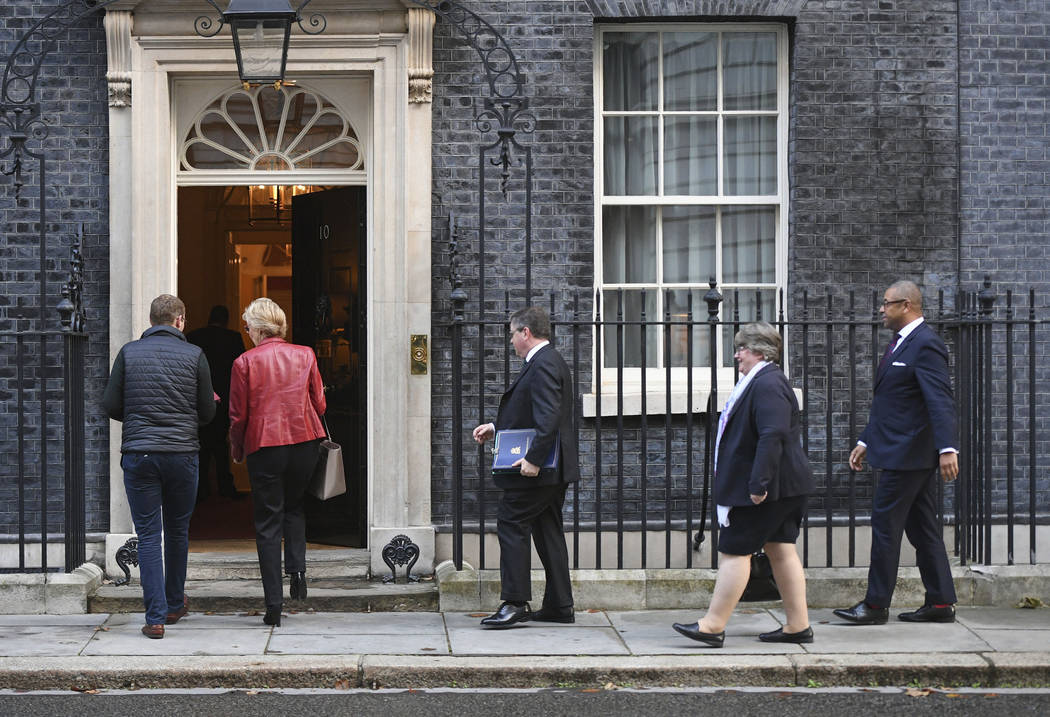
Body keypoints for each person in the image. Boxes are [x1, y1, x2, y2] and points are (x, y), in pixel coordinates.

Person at [672, 322, 815, 647]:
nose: (737, 354)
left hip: (769, 488)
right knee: (781, 550)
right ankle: (797, 625)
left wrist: (758, 483)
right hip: (785, 487)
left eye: (743, 348)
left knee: (734, 550)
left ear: (761, 351)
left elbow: (772, 434)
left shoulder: (766, 384)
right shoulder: (764, 381)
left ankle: (712, 625)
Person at [835, 280, 959, 625]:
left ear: (906, 305)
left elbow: (940, 400)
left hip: (908, 456)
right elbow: (892, 405)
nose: (881, 310)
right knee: (923, 530)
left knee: (886, 527)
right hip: (898, 451)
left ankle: (875, 606)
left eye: (886, 303)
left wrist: (948, 447)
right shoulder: (899, 344)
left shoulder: (926, 344)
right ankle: (940, 603)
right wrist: (866, 441)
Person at [102, 294, 216, 639]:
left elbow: (110, 404)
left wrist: (138, 417)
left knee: (149, 534)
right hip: (182, 453)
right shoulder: (195, 355)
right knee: (178, 530)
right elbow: (207, 414)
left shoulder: (128, 352)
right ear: (180, 320)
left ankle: (155, 619)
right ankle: (174, 603)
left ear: (152, 321)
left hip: (140, 454)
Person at [471, 306, 579, 628]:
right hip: (553, 469)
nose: (511, 341)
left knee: (511, 522)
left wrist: (532, 459)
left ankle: (515, 602)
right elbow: (532, 414)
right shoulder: (547, 361)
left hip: (541, 469)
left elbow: (547, 419)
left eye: (512, 335)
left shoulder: (543, 364)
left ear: (526, 333)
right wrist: (496, 427)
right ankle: (560, 605)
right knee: (548, 533)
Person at [229, 297, 327, 627]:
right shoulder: (305, 354)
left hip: (265, 444)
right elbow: (320, 404)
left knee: (268, 521)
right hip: (305, 440)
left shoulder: (244, 362)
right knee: (295, 506)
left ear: (257, 328)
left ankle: (274, 604)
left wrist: (237, 448)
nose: (247, 332)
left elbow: (238, 416)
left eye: (247, 327)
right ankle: (297, 573)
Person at [187, 304, 246, 501]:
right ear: (226, 320)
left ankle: (201, 489)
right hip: (226, 397)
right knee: (221, 445)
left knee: (202, 444)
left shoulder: (195, 336)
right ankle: (225, 486)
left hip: (199, 398)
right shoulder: (233, 338)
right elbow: (241, 370)